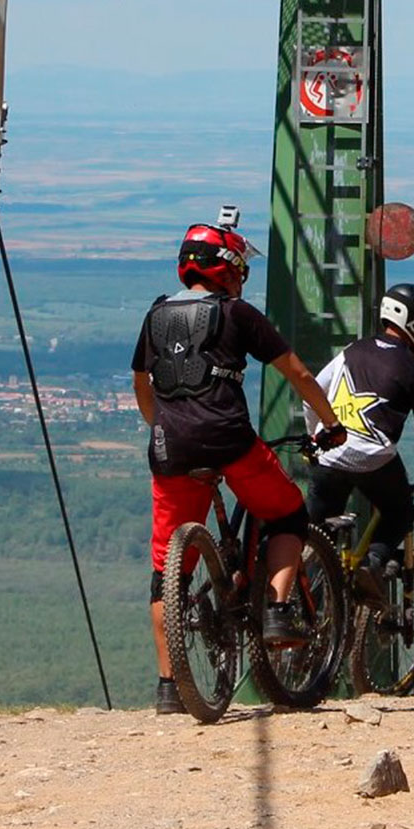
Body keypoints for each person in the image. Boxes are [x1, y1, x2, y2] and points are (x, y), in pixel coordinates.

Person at [132, 212, 347, 716]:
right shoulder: (238, 314)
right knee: (288, 513)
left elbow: (143, 385)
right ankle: (275, 611)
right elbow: (295, 371)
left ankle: (169, 688)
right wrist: (331, 422)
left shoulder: (156, 315)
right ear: (227, 268)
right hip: (229, 441)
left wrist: (160, 427)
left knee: (167, 570)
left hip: (169, 448)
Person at [303, 283, 414, 592]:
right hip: (373, 459)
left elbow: (311, 394)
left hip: (327, 453)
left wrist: (316, 440)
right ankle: (373, 562)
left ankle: (309, 611)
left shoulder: (352, 351)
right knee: (400, 512)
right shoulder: (412, 369)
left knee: (317, 537)